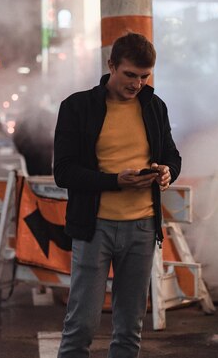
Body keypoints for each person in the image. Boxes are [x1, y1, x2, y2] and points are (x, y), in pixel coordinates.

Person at [53, 32, 181, 358]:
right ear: (111, 65)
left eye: (144, 76)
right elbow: (63, 173)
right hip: (94, 226)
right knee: (81, 323)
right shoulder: (77, 107)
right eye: (130, 75)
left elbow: (172, 156)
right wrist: (115, 181)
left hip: (142, 226)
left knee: (129, 328)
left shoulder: (154, 107)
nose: (137, 83)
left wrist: (166, 172)